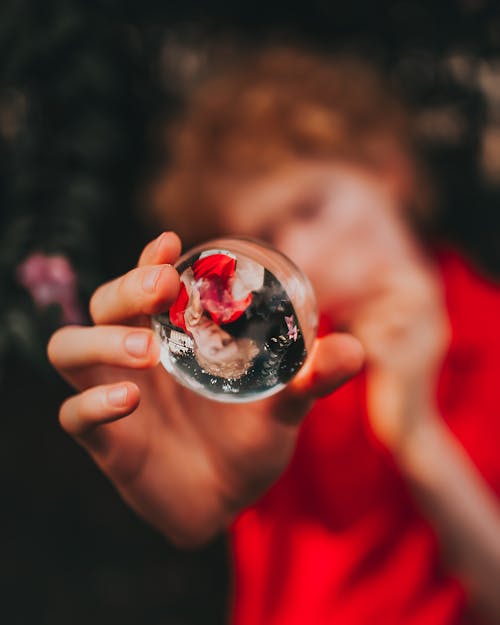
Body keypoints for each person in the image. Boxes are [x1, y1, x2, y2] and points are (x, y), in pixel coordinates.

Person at [48, 47, 500, 625]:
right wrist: (201, 495)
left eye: (308, 208)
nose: (300, 255)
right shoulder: (264, 370)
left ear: (390, 171)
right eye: (265, 235)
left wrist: (416, 437)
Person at [168, 250, 261, 378]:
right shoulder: (229, 312)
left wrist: (193, 292)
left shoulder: (175, 317)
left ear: (199, 353)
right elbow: (244, 286)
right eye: (227, 341)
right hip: (229, 246)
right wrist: (247, 284)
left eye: (215, 350)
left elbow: (175, 270)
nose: (216, 336)